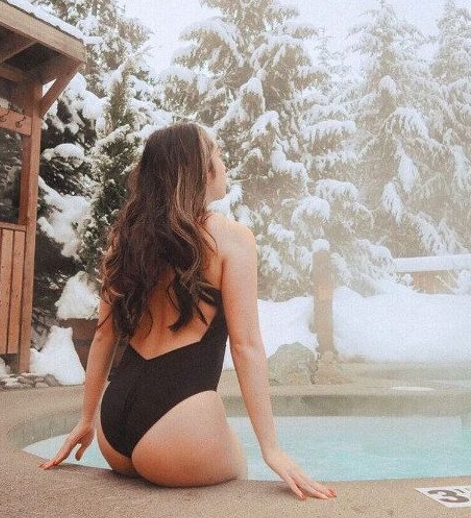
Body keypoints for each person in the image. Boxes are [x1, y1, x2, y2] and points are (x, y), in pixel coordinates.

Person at [38, 122, 335, 502]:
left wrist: (85, 420)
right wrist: (271, 449)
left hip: (113, 428)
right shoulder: (232, 238)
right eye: (218, 154)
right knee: (240, 474)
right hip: (176, 436)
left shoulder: (127, 237)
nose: (225, 164)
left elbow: (103, 335)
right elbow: (246, 346)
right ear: (199, 169)